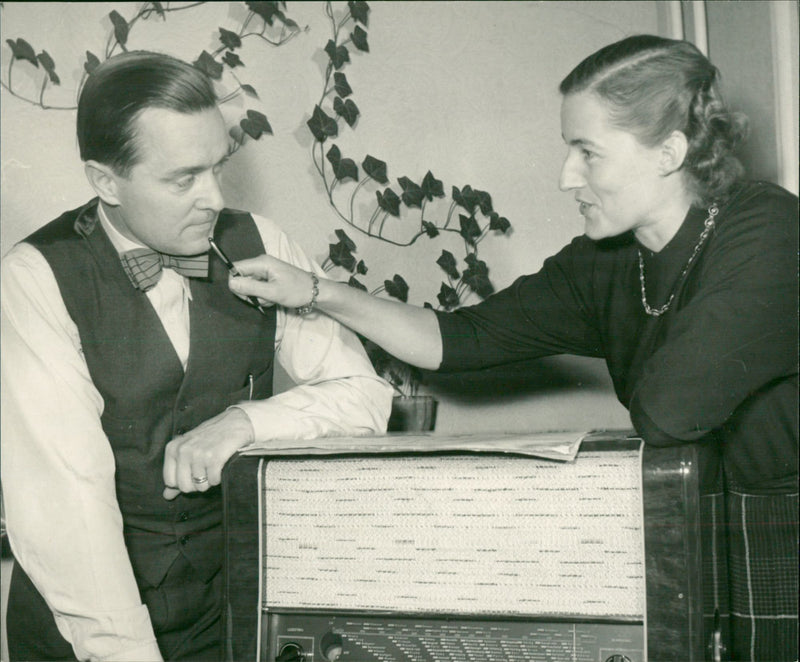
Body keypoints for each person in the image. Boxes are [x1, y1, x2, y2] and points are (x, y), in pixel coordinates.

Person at [226, 35, 798, 661]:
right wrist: (314, 290)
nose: (564, 177)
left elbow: (669, 409)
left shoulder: (769, 228)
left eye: (587, 152)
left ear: (669, 151)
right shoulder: (603, 259)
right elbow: (456, 340)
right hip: (699, 520)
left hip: (780, 530)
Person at [0, 51, 392, 662]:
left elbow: (367, 398)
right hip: (89, 639)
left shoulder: (261, 241)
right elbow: (67, 511)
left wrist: (246, 422)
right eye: (183, 179)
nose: (213, 199)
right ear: (105, 180)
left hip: (227, 619)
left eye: (218, 167)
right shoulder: (34, 279)